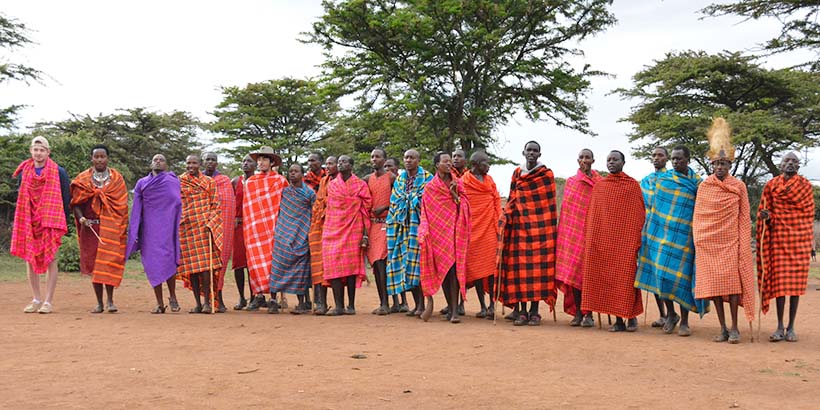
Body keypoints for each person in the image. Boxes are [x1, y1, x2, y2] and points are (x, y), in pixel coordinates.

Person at [693, 118, 755, 344]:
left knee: (733, 286)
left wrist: (742, 243)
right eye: (717, 163)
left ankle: (736, 327)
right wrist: (700, 240)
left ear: (730, 165)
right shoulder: (705, 186)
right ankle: (722, 328)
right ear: (712, 165)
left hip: (731, 244)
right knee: (716, 288)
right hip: (709, 245)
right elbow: (699, 217)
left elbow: (744, 216)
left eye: (724, 164)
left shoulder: (738, 186)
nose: (720, 167)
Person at [634, 146, 706, 336]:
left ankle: (685, 322)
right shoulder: (662, 181)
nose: (675, 162)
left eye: (679, 159)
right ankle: (671, 314)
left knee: (682, 278)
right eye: (673, 159)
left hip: (685, 236)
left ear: (688, 160)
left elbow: (702, 206)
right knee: (662, 275)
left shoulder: (697, 183)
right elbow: (650, 206)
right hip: (660, 235)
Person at [581, 150, 645, 332]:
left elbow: (639, 214)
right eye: (608, 160)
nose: (611, 163)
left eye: (615, 160)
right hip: (605, 242)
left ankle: (630, 316)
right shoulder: (600, 187)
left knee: (626, 279)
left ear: (623, 163)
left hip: (625, 243)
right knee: (609, 281)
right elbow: (593, 217)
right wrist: (593, 240)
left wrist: (635, 240)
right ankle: (618, 321)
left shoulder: (632, 186)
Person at [756, 152, 815, 343]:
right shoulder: (771, 185)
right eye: (786, 161)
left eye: (794, 162)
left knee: (795, 288)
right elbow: (765, 210)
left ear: (798, 166)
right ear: (780, 166)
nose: (790, 164)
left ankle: (791, 327)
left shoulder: (805, 186)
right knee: (780, 287)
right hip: (779, 241)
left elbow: (807, 215)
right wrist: (766, 216)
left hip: (798, 242)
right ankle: (779, 326)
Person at [498, 141, 557, 326]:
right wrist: (505, 215)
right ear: (523, 152)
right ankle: (522, 312)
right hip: (519, 228)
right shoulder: (517, 173)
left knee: (538, 271)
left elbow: (549, 204)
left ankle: (535, 311)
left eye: (535, 150)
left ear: (540, 154)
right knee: (520, 271)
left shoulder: (546, 175)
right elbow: (512, 197)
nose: (531, 153)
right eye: (529, 150)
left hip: (540, 230)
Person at [12, 136, 70, 314]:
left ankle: (48, 301)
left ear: (48, 152)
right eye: (35, 150)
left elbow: (66, 197)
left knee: (51, 259)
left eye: (42, 150)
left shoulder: (58, 172)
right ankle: (36, 298)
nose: (38, 153)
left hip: (50, 220)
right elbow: (21, 198)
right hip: (29, 220)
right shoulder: (24, 172)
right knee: (30, 259)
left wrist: (60, 221)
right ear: (31, 151)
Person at [70, 144, 129, 313]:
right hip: (91, 228)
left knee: (108, 264)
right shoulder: (83, 180)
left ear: (107, 158)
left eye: (103, 157)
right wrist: (81, 218)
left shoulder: (116, 179)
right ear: (92, 159)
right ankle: (99, 303)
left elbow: (122, 205)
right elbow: (76, 203)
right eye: (97, 157)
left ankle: (110, 301)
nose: (100, 160)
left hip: (111, 228)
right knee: (96, 266)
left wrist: (119, 226)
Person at [419, 152, 470, 323]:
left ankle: (455, 311)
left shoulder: (458, 183)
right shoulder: (430, 187)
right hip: (437, 234)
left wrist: (454, 194)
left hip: (455, 233)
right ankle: (450, 308)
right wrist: (424, 231)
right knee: (445, 272)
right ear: (437, 165)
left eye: (450, 162)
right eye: (445, 161)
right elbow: (425, 212)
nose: (449, 164)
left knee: (454, 271)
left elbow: (465, 205)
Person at [127, 154, 182, 313]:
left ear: (166, 165)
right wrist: (135, 231)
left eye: (162, 160)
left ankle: (172, 296)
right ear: (150, 164)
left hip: (167, 227)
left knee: (169, 262)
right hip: (149, 229)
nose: (158, 161)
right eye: (155, 159)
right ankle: (159, 303)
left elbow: (177, 202)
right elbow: (137, 208)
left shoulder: (172, 181)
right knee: (152, 264)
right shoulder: (142, 183)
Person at [555, 148, 601, 327]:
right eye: (581, 157)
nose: (584, 160)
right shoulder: (571, 182)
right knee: (573, 273)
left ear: (593, 160)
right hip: (573, 234)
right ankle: (578, 313)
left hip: (591, 233)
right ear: (577, 160)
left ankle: (588, 313)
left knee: (588, 274)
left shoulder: (600, 183)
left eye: (587, 157)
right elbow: (568, 211)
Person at [323, 155, 372, 316]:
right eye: (339, 162)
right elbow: (330, 208)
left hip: (354, 228)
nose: (340, 164)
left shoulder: (360, 184)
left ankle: (350, 305)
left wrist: (365, 234)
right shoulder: (332, 185)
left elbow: (366, 208)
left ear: (351, 165)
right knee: (334, 265)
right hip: (333, 228)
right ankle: (338, 305)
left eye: (344, 161)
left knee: (351, 268)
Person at [386, 149, 434, 316]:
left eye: (412, 158)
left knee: (419, 267)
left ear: (418, 160)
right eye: (406, 157)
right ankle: (416, 305)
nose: (408, 160)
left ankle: (423, 304)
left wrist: (412, 200)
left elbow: (431, 202)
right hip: (402, 228)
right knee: (407, 266)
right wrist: (407, 202)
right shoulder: (400, 180)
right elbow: (395, 202)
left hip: (420, 228)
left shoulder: (428, 178)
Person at [177, 154, 224, 314]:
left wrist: (211, 222)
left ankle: (207, 303)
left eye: (194, 163)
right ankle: (197, 303)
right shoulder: (180, 181)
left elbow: (215, 204)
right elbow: (176, 202)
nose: (191, 166)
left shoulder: (209, 182)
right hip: (187, 229)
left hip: (204, 227)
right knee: (192, 269)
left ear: (199, 165)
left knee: (206, 268)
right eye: (188, 163)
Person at [242, 147, 287, 310]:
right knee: (254, 263)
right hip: (253, 228)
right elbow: (248, 206)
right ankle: (258, 296)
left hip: (273, 227)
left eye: (264, 160)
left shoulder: (280, 180)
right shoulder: (251, 182)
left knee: (272, 262)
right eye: (259, 160)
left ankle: (274, 298)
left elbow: (285, 204)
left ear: (272, 162)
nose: (260, 162)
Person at [268, 164, 316, 314]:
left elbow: (314, 213)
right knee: (277, 267)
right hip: (283, 233)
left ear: (302, 174)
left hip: (301, 235)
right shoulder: (284, 192)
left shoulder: (309, 193)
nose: (292, 174)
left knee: (300, 270)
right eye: (290, 172)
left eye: (296, 172)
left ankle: (301, 303)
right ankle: (274, 300)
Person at [461, 151, 501, 319]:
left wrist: (500, 221)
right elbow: (462, 204)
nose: (489, 166)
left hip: (489, 230)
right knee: (477, 270)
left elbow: (496, 200)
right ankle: (482, 306)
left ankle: (492, 305)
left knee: (491, 269)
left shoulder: (489, 180)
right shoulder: (465, 181)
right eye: (485, 163)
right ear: (476, 164)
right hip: (472, 230)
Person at [364, 148, 398, 315]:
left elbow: (399, 199)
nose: (374, 159)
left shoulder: (391, 178)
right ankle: (383, 302)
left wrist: (385, 207)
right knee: (376, 266)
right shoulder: (367, 179)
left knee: (381, 262)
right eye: (372, 157)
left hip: (387, 224)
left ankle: (387, 302)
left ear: (384, 160)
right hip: (372, 225)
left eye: (377, 156)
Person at [639, 147, 670, 328]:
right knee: (655, 274)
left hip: (668, 232)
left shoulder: (673, 180)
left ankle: (672, 314)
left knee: (665, 274)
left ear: (666, 158)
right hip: (650, 231)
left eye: (660, 155)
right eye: (654, 155)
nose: (656, 158)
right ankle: (663, 314)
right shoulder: (646, 181)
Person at [202, 152, 235, 313]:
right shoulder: (196, 181)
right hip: (201, 227)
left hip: (221, 227)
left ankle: (219, 297)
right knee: (203, 264)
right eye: (207, 159)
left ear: (217, 163)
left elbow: (228, 206)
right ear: (203, 162)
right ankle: (205, 300)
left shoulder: (224, 181)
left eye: (213, 160)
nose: (210, 162)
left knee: (219, 262)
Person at [308, 156, 337, 314]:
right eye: (328, 163)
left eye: (331, 163)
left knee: (334, 267)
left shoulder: (339, 183)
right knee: (318, 265)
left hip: (336, 227)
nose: (329, 165)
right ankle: (321, 303)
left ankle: (341, 304)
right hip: (320, 226)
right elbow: (319, 202)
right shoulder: (324, 182)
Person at [231, 155, 258, 310]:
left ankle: (255, 296)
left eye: (249, 162)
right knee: (238, 263)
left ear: (255, 165)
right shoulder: (235, 182)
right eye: (244, 161)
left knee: (252, 263)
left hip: (254, 226)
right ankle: (242, 297)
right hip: (239, 226)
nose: (246, 164)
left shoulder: (259, 182)